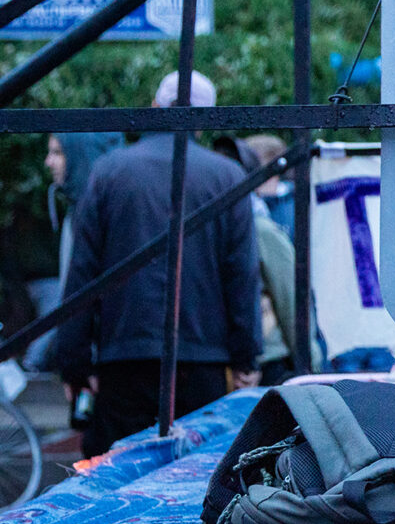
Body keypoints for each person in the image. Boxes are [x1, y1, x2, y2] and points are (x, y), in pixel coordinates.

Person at [56, 70, 262, 458]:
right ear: (207, 118)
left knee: (118, 479)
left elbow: (83, 275)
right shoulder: (227, 176)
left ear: (154, 107)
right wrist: (245, 356)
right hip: (202, 360)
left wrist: (75, 364)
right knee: (195, 482)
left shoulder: (110, 172)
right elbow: (241, 274)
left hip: (124, 359)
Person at [211, 133, 321, 384]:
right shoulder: (251, 226)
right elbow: (291, 295)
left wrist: (308, 362)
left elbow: (288, 296)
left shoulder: (257, 228)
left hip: (259, 361)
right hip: (237, 360)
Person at [26, 131, 122, 371]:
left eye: (58, 153)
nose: (49, 162)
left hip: (104, 359)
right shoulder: (75, 212)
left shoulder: (99, 216)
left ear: (80, 156)